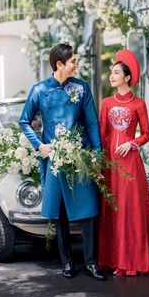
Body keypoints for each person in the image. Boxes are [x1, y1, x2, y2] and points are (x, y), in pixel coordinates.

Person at [19, 43, 105, 280]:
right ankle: (66, 262)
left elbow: (92, 124)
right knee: (60, 213)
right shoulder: (39, 90)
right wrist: (39, 145)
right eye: (73, 61)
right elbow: (24, 121)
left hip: (81, 158)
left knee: (88, 211)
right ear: (60, 64)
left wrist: (97, 155)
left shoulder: (82, 88)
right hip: (54, 160)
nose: (77, 64)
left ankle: (91, 263)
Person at [98, 49, 149, 276]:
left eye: (116, 73)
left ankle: (130, 261)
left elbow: (146, 134)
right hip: (110, 164)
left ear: (127, 77)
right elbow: (102, 134)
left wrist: (132, 143)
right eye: (111, 72)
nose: (111, 76)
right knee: (112, 210)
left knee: (128, 210)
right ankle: (114, 259)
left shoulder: (139, 104)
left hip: (130, 162)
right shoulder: (106, 103)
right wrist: (99, 162)